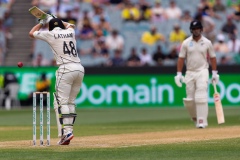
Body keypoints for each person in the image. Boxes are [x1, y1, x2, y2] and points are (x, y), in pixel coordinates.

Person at [29, 16, 85, 145]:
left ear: (50, 27)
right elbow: (72, 25)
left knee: (60, 102)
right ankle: (67, 132)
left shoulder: (50, 34)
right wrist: (53, 18)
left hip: (65, 68)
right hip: (79, 68)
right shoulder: (70, 32)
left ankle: (66, 133)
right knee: (70, 102)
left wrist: (42, 22)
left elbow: (31, 33)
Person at [174, 20, 219, 129]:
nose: (196, 31)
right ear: (191, 30)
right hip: (189, 72)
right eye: (194, 29)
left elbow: (212, 58)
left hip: (202, 71)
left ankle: (202, 121)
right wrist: (179, 74)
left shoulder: (207, 42)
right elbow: (181, 58)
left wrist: (214, 73)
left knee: (201, 97)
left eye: (197, 28)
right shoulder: (186, 43)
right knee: (189, 100)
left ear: (201, 29)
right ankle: (194, 117)